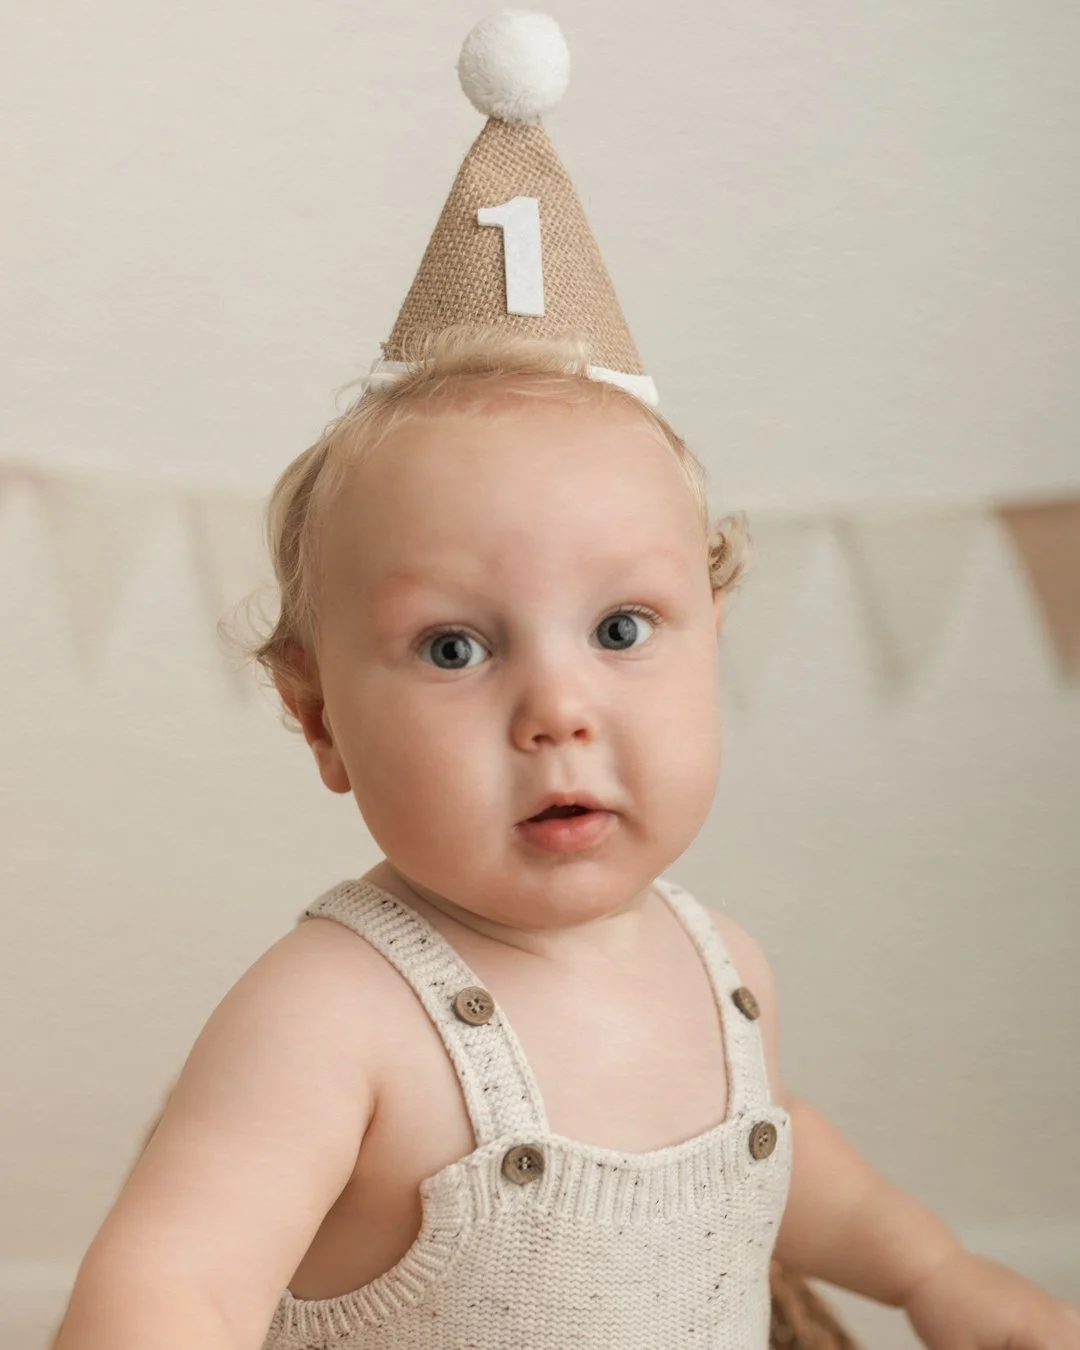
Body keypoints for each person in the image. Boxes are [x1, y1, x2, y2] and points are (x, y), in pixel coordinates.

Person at [53, 13, 1080, 1350]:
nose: (558, 710)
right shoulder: (330, 1016)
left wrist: (935, 1270)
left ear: (714, 628)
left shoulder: (724, 965)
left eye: (621, 627)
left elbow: (769, 1156)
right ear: (318, 718)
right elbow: (172, 1287)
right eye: (455, 648)